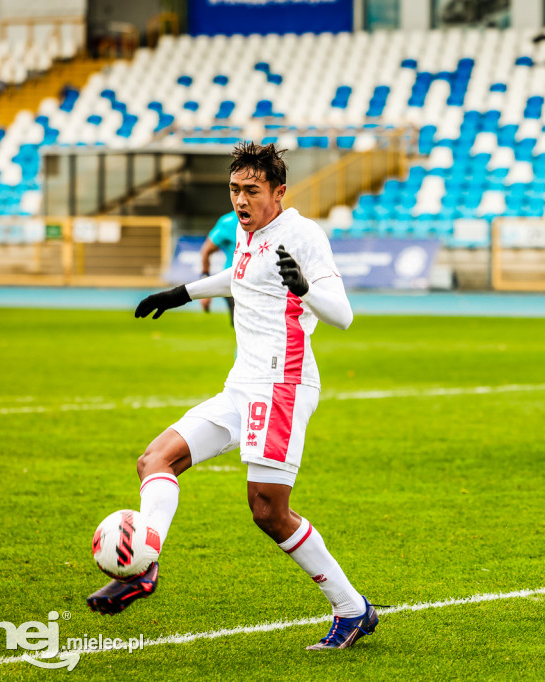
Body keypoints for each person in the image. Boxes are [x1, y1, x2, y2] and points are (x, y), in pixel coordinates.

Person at [86, 142, 379, 651]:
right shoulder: (244, 232)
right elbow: (239, 278)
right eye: (234, 189)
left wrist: (304, 288)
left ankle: (352, 609)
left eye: (251, 191)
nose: (240, 200)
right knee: (156, 458)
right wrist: (180, 294)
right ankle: (144, 566)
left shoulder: (303, 234)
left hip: (282, 384)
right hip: (241, 384)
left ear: (278, 192)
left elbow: (343, 314)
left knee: (267, 511)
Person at [198, 210, 239, 324]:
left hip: (262, 283)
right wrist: (205, 288)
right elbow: (206, 251)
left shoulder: (271, 218)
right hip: (234, 283)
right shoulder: (229, 221)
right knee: (245, 331)